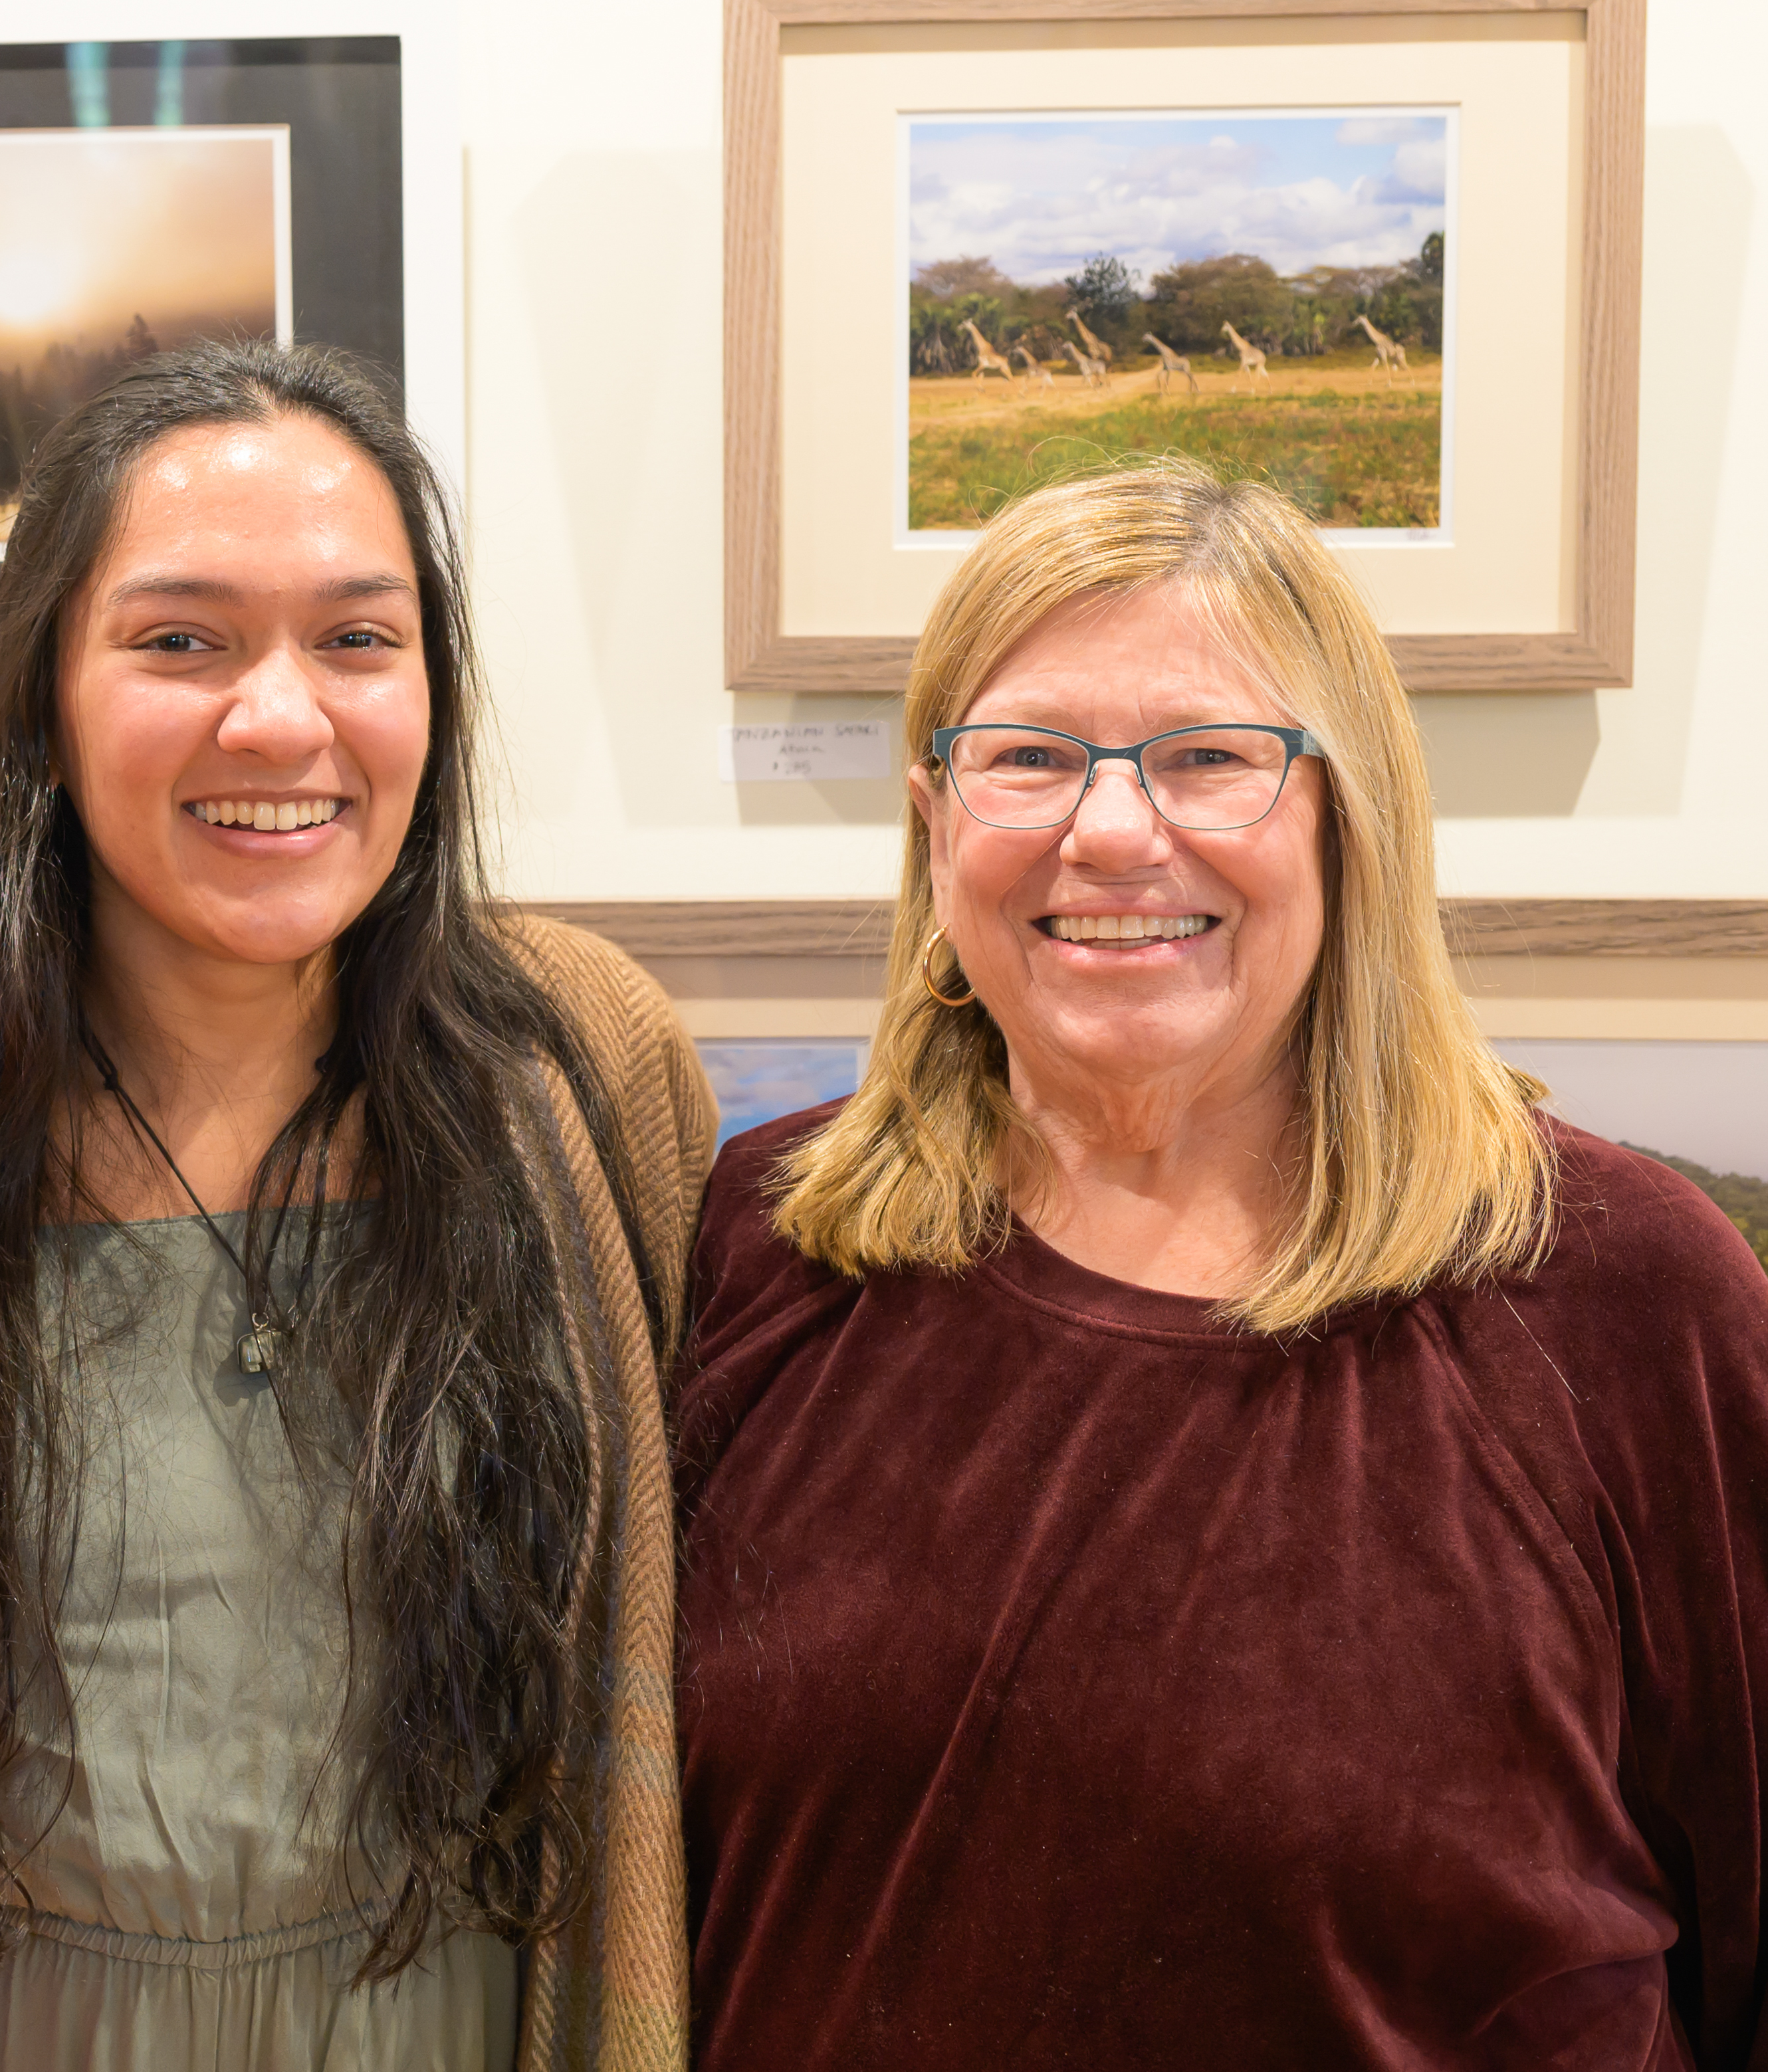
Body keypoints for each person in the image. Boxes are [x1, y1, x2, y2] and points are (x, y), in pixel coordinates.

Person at [0, 340, 714, 2072]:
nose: (279, 716)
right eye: (179, 638)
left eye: (354, 636)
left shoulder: (581, 1069)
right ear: (46, 689)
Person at [675, 459, 1768, 2068]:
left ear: (1347, 816)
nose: (1111, 830)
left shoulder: (1618, 1294)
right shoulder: (761, 1237)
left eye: (1207, 758)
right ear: (931, 824)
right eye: (1027, 757)